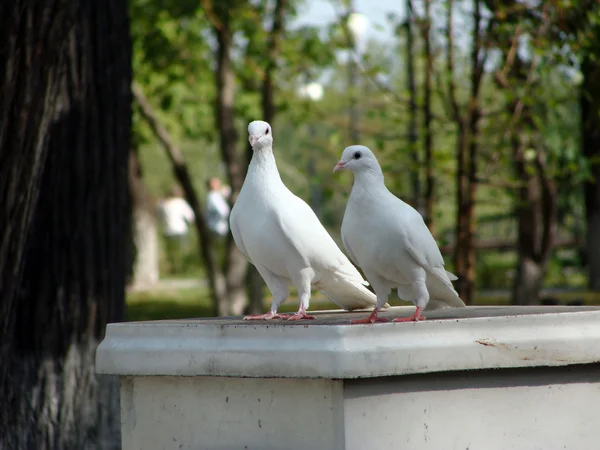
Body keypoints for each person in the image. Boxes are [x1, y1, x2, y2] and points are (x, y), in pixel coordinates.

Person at [157, 185, 195, 273]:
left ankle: (172, 269)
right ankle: (182, 269)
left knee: (170, 252)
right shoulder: (181, 203)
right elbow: (190, 216)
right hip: (180, 230)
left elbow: (160, 218)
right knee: (182, 251)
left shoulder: (163, 203)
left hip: (167, 231)